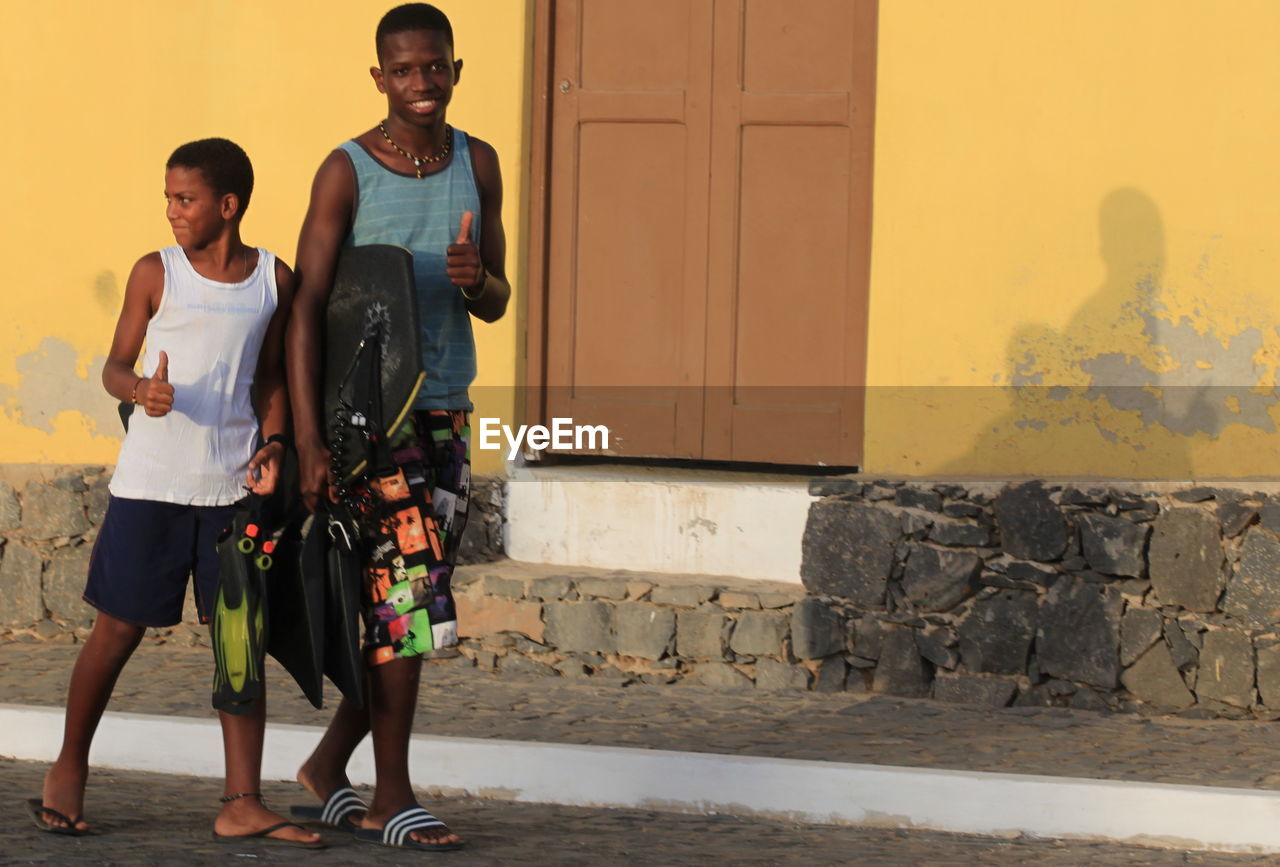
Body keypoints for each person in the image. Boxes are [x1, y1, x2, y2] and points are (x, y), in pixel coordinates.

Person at [32, 138, 322, 849]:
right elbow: (113, 366)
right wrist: (140, 391)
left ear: (228, 206)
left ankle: (243, 800)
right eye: (166, 197)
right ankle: (68, 766)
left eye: (184, 198)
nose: (171, 211)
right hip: (151, 488)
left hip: (232, 492)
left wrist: (275, 444)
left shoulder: (272, 282)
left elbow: (271, 379)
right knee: (116, 630)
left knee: (237, 641)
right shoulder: (153, 273)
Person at [285, 2, 509, 853]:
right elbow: (307, 304)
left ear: (456, 69)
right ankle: (390, 794)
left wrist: (477, 275)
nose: (422, 83)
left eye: (436, 67)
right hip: (369, 422)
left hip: (445, 404)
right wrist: (309, 438)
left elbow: (495, 301)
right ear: (379, 77)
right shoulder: (345, 171)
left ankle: (327, 766)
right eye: (405, 70)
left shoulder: (477, 162)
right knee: (410, 602)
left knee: (403, 602)